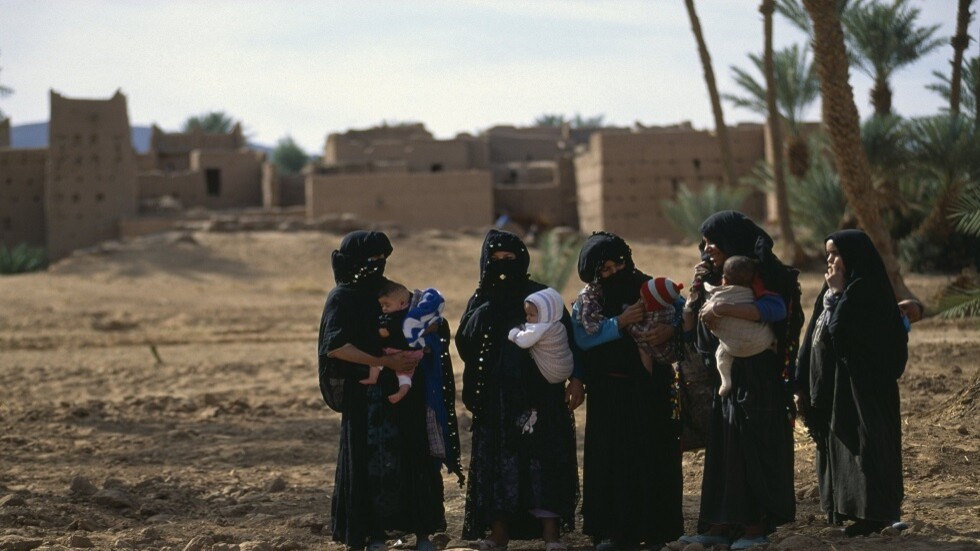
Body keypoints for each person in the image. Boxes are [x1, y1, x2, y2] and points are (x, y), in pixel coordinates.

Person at [317, 231, 463, 551]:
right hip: (366, 399)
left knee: (415, 460)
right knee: (371, 464)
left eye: (380, 260)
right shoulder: (342, 298)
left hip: (405, 394)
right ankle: (375, 536)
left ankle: (422, 533)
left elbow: (428, 322)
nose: (375, 266)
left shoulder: (390, 291)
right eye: (368, 260)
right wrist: (383, 359)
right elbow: (336, 346)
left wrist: (422, 338)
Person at [678, 211, 803, 551]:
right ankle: (718, 525)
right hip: (729, 377)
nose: (707, 249)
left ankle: (753, 528)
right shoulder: (715, 279)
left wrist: (724, 310)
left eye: (712, 243)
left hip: (759, 379)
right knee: (726, 451)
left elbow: (778, 313)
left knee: (751, 450)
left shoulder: (766, 276)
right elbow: (696, 332)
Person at [456, 229, 580, 551]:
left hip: (541, 395)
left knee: (544, 460)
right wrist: (487, 313)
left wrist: (577, 380)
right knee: (499, 464)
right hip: (496, 399)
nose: (502, 266)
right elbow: (465, 342)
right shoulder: (480, 300)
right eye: (495, 260)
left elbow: (568, 339)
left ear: (522, 260)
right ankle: (499, 535)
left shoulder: (540, 296)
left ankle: (552, 535)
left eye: (509, 260)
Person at [572, 231, 684, 550]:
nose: (614, 274)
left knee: (652, 454)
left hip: (651, 390)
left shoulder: (653, 287)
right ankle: (614, 531)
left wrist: (670, 330)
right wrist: (620, 321)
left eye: (617, 264)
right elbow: (583, 338)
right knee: (613, 460)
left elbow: (683, 313)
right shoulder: (589, 300)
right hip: (611, 392)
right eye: (604, 270)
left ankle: (657, 528)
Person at [795, 230, 909, 537]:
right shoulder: (832, 290)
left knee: (869, 446)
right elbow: (814, 334)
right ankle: (848, 509)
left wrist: (838, 295)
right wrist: (801, 380)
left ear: (853, 255)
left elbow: (842, 331)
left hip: (865, 386)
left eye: (835, 253)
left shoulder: (866, 289)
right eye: (827, 253)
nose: (829, 259)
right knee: (840, 443)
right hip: (838, 385)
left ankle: (876, 514)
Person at [577, 275, 684, 373]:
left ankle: (647, 376)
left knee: (643, 350)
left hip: (661, 353)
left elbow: (641, 333)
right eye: (606, 269)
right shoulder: (589, 297)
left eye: (619, 264)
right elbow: (583, 338)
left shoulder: (657, 315)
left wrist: (624, 320)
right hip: (609, 376)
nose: (614, 271)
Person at [703, 256, 777, 397]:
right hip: (761, 344)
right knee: (769, 332)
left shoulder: (719, 297)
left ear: (724, 278)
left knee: (721, 353)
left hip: (733, 349)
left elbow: (709, 320)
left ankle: (725, 380)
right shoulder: (753, 296)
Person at [361, 281, 445, 404]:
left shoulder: (401, 316)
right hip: (413, 353)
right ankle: (402, 390)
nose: (384, 308)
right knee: (405, 376)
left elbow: (391, 329)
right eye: (382, 305)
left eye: (387, 305)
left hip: (402, 352)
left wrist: (380, 331)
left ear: (401, 303)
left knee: (376, 360)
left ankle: (373, 378)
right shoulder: (411, 312)